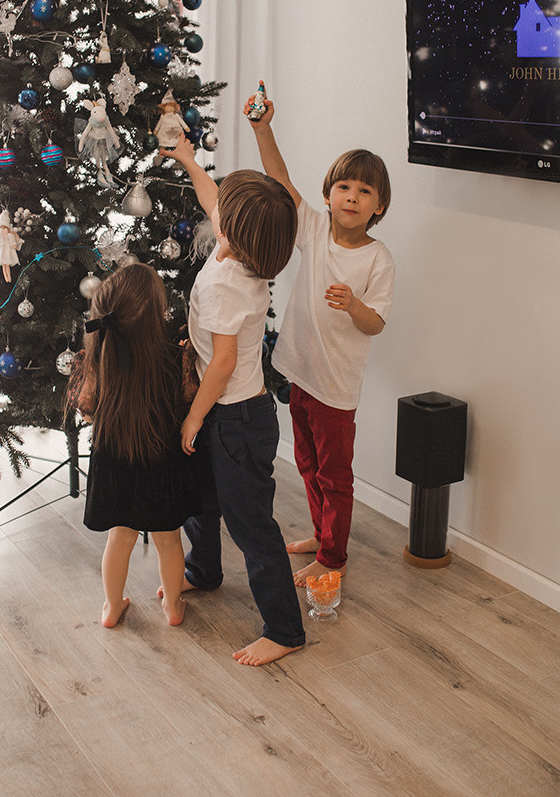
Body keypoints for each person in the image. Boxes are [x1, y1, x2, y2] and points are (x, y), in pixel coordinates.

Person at [158, 132, 306, 667]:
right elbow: (213, 200)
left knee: (250, 523)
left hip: (233, 416)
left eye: (224, 209)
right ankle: (203, 570)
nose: (213, 207)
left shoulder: (227, 284)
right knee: (204, 499)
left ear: (232, 233)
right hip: (230, 412)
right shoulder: (240, 256)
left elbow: (221, 365)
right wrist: (190, 160)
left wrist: (193, 420)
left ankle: (285, 629)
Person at [245, 93, 394, 587]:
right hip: (300, 370)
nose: (352, 197)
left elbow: (375, 324)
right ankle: (321, 533)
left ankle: (334, 558)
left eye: (364, 191)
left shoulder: (378, 260)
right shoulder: (312, 227)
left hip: (336, 387)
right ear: (328, 195)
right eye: (344, 187)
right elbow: (279, 180)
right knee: (307, 464)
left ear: (378, 206)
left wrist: (353, 304)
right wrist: (263, 129)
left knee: (335, 476)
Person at [77, 263, 202, 628]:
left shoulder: (100, 355)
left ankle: (112, 607)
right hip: (161, 460)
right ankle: (173, 607)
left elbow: (86, 410)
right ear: (154, 314)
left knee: (120, 538)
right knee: (169, 541)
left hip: (115, 460)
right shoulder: (172, 356)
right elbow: (189, 398)